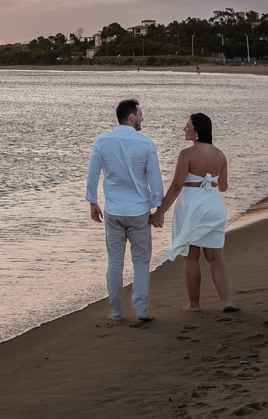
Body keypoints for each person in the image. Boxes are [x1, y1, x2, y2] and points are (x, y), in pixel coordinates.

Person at [86, 98, 164, 322]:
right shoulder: (146, 143)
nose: (142, 118)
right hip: (138, 211)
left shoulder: (102, 141)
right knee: (141, 261)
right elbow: (155, 180)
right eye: (140, 114)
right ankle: (140, 311)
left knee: (115, 263)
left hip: (114, 211)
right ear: (131, 117)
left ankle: (116, 313)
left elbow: (93, 174)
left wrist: (93, 202)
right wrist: (159, 209)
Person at [151, 113, 237, 312]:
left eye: (187, 125)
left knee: (191, 256)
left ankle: (194, 304)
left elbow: (177, 185)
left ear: (196, 131)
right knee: (215, 256)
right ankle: (227, 302)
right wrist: (209, 180)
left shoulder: (186, 154)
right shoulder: (220, 154)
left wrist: (160, 212)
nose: (184, 129)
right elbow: (223, 187)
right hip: (214, 205)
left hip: (191, 205)